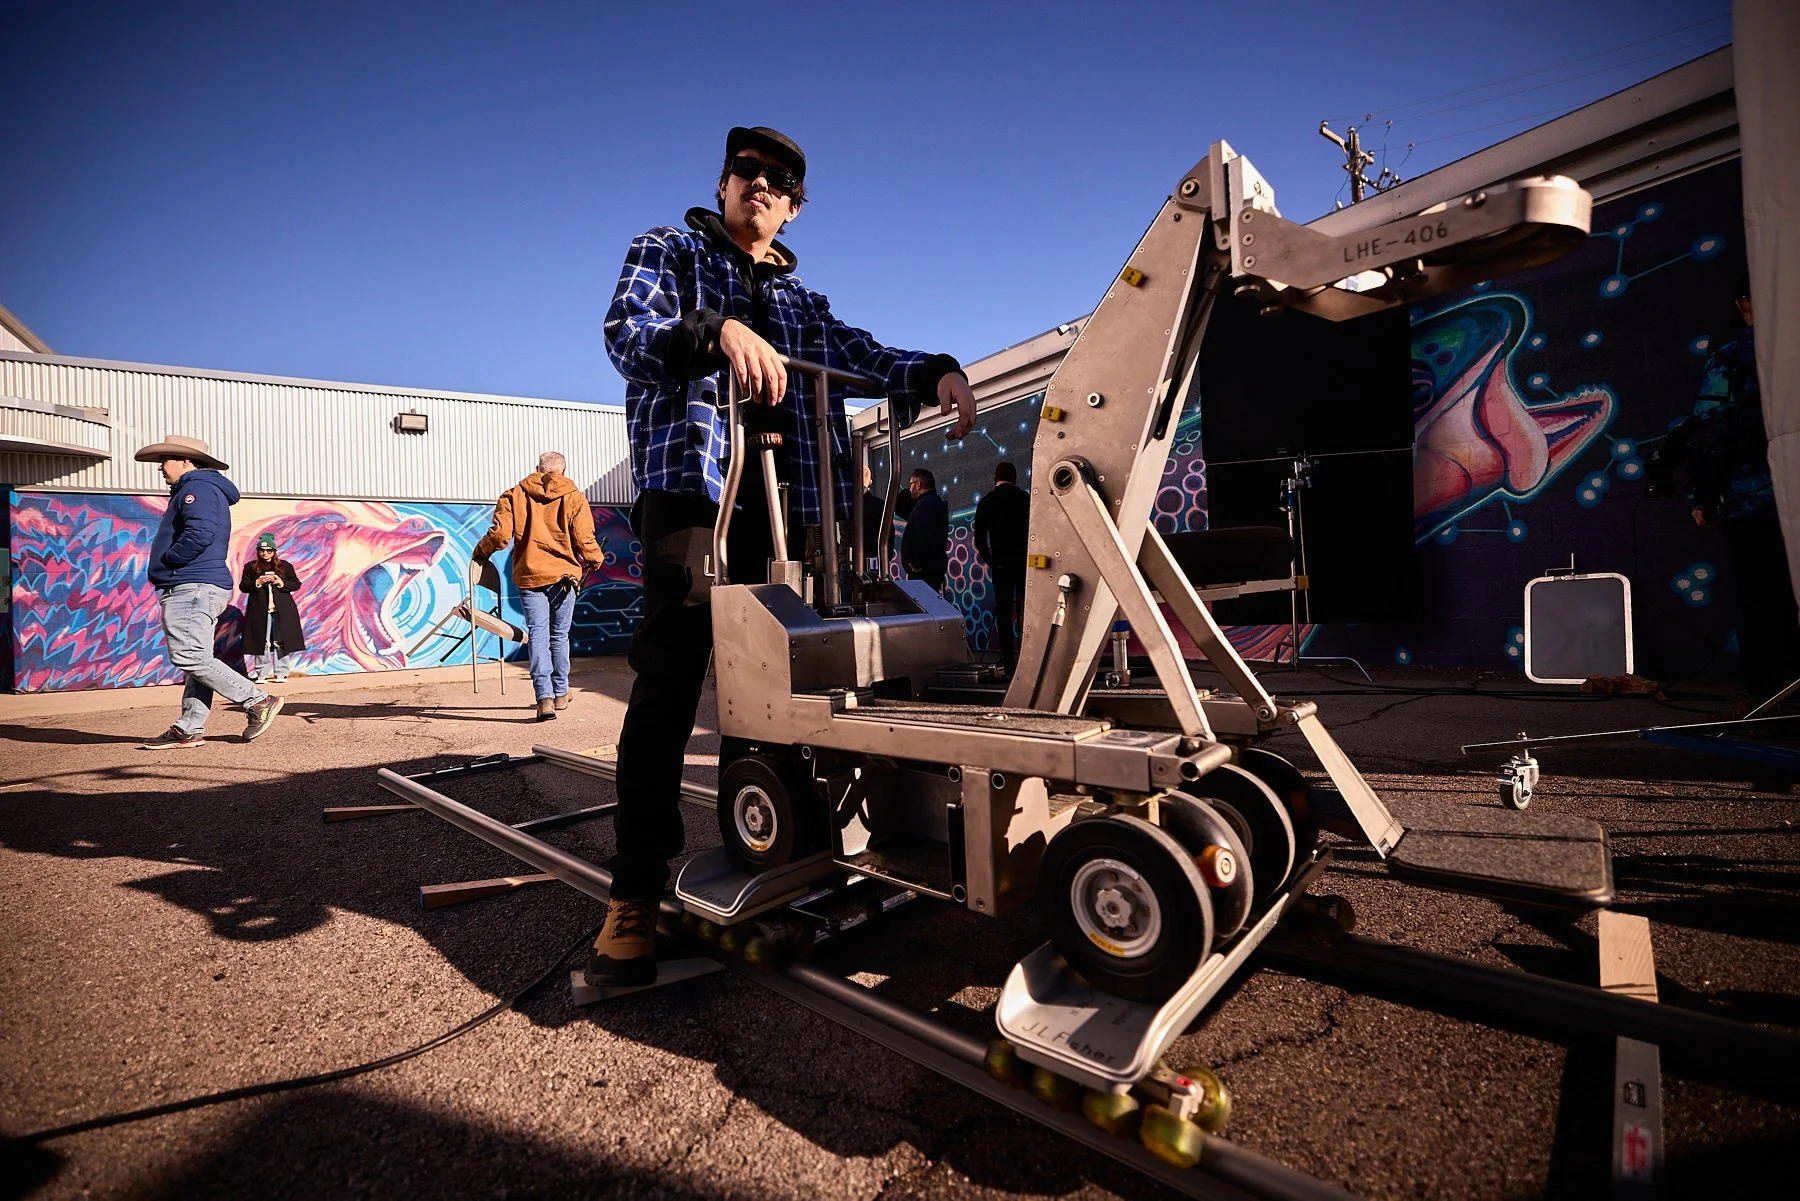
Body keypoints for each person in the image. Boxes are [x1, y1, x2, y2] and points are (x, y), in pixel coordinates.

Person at [594, 124, 977, 985]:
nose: (759, 185)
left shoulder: (804, 302)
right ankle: (634, 889)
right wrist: (716, 329)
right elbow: (627, 334)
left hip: (794, 509)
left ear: (794, 206)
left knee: (769, 688)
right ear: (725, 182)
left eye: (777, 181)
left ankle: (758, 844)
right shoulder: (670, 249)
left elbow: (868, 357)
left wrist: (939, 372)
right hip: (698, 493)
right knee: (669, 681)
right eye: (746, 171)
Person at [1684, 278, 1800, 701]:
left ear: (1742, 304)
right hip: (1762, 497)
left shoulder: (1733, 358)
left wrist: (1703, 494)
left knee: (1765, 602)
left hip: (1758, 502)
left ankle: (1773, 703)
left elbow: (1714, 428)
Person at [134, 435, 283, 748]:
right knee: (198, 658)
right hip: (197, 583)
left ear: (187, 461)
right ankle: (188, 727)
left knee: (188, 656)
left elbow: (199, 534)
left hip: (191, 583)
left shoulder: (196, 488)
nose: (161, 467)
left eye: (166, 460)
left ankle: (257, 701)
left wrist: (170, 560)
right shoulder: (201, 488)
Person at [473, 451, 607, 721]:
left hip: (530, 575)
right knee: (559, 636)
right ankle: (561, 693)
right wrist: (595, 559)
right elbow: (584, 537)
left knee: (538, 635)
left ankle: (543, 697)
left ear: (537, 469)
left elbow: (499, 536)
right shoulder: (575, 497)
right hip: (564, 579)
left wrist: (480, 553)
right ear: (564, 471)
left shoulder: (514, 495)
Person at [973, 461, 1030, 673]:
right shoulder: (1025, 499)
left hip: (1001, 564)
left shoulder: (987, 501)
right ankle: (1028, 655)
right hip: (1024, 562)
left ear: (995, 478)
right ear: (1015, 478)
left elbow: (980, 538)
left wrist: (991, 560)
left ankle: (1008, 661)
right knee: (1028, 609)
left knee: (1004, 611)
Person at [239, 532, 305, 683]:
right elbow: (243, 586)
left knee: (281, 640)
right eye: (262, 550)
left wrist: (280, 583)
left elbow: (296, 584)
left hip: (282, 609)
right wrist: (258, 582)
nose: (265, 553)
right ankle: (262, 673)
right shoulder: (251, 567)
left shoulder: (285, 566)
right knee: (261, 640)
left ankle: (281, 672)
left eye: (269, 550)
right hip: (259, 610)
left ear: (274, 551)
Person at [900, 467, 949, 593]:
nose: (909, 489)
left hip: (923, 573)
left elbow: (924, 536)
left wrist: (916, 563)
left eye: (911, 484)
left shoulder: (925, 505)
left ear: (918, 485)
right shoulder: (932, 503)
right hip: (931, 569)